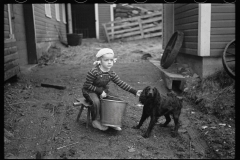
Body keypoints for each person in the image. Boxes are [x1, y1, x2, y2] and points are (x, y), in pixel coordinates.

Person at [82, 48, 142, 131]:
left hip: (103, 91)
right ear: (100, 60)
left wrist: (135, 91)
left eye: (111, 60)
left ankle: (112, 122)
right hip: (89, 91)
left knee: (116, 100)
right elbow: (87, 85)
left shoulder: (111, 73)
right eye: (106, 60)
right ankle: (95, 121)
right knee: (96, 101)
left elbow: (121, 83)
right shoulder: (94, 71)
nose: (109, 62)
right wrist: (100, 91)